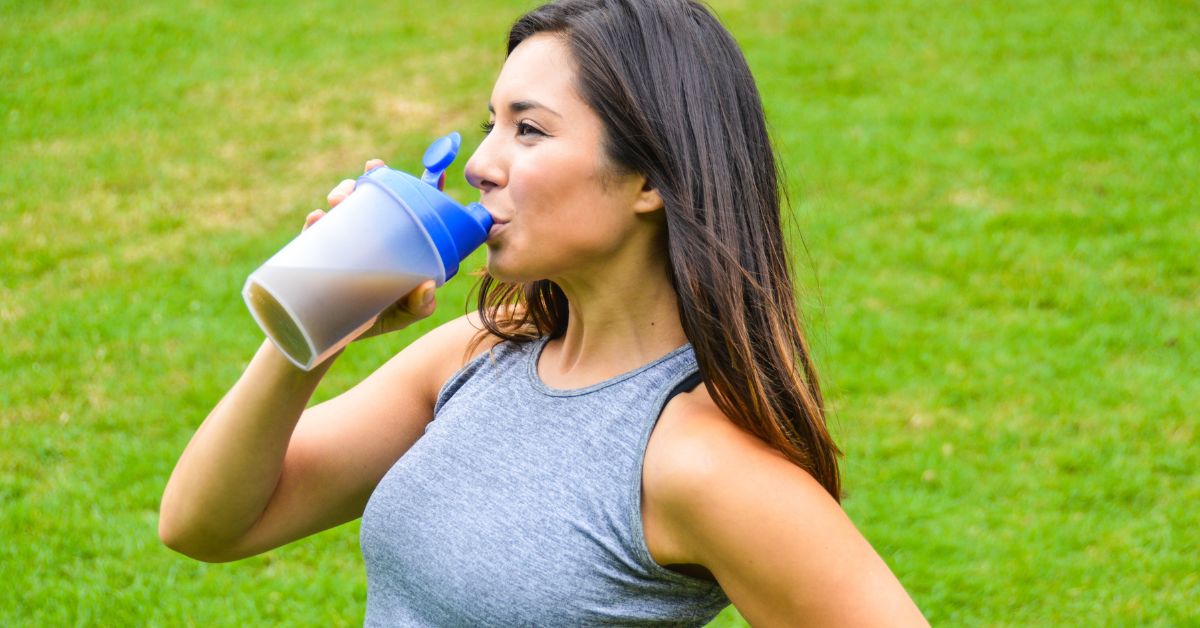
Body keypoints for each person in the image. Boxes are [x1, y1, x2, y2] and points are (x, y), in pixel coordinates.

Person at [159, 0, 928, 624]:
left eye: (528, 130)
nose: (482, 164)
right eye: (491, 122)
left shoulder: (699, 463)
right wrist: (321, 320)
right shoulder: (479, 355)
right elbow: (206, 524)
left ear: (648, 180)